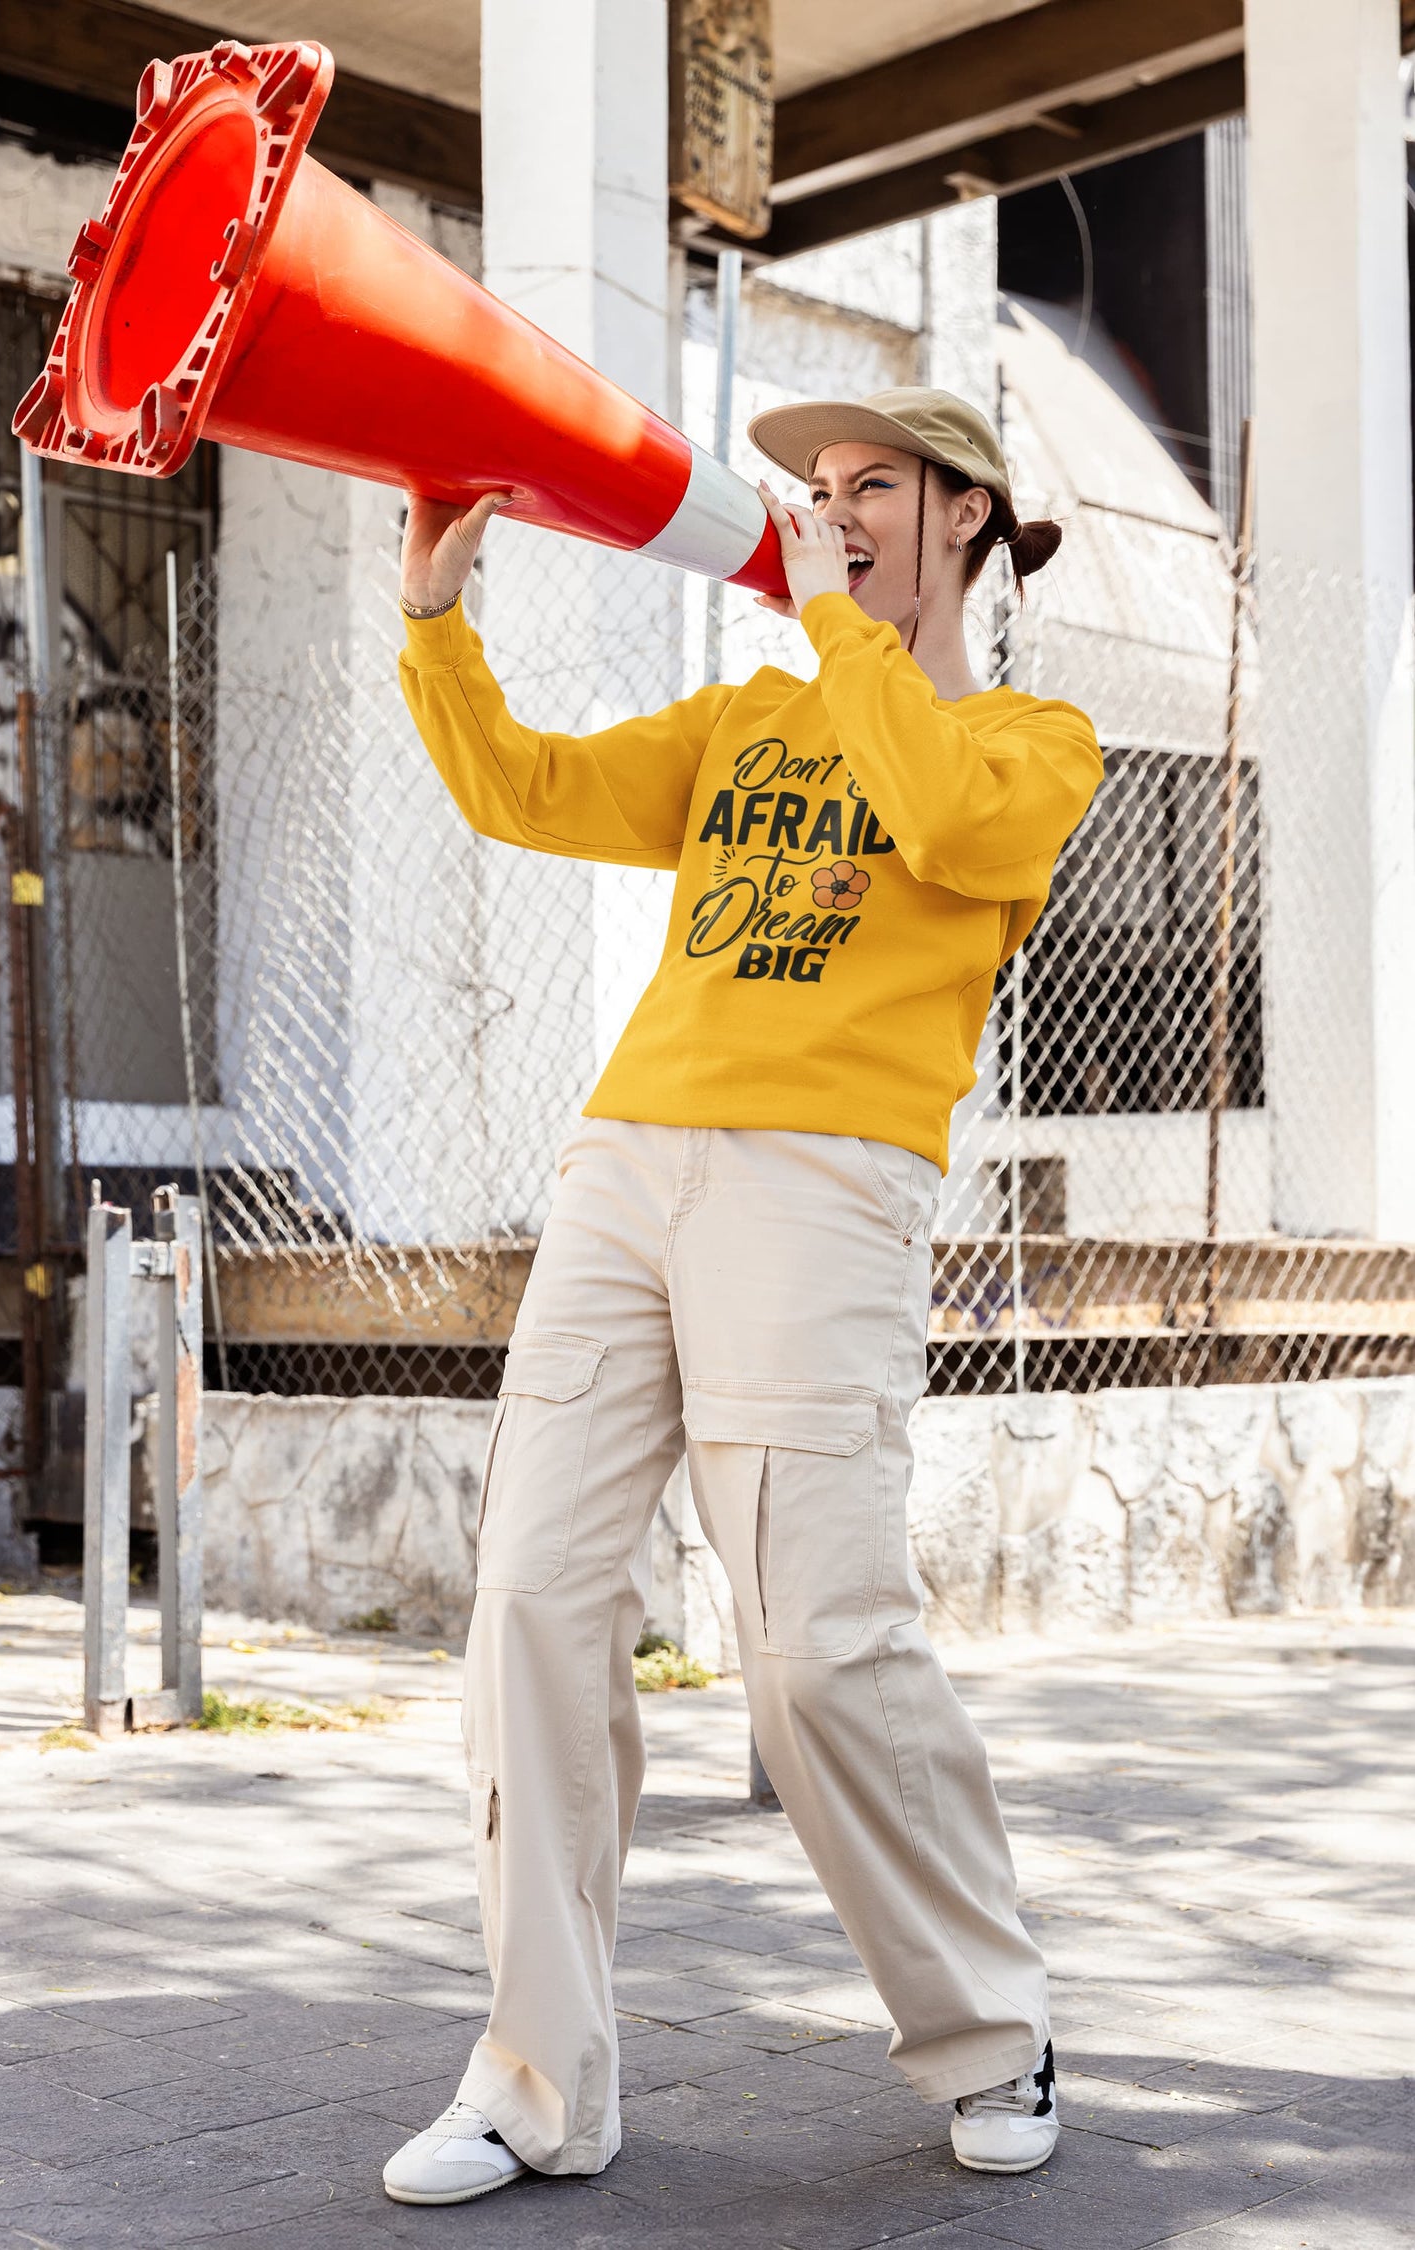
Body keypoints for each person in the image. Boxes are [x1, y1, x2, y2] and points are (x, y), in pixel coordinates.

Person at [381, 389, 1101, 2208]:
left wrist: (838, 624)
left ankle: (992, 2025)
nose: (832, 510)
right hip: (630, 1159)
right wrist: (436, 619)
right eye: (820, 488)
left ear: (966, 515)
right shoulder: (747, 721)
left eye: (875, 486)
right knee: (531, 1596)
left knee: (814, 1646)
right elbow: (523, 789)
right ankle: (538, 2082)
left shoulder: (1034, 741)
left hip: (827, 1181)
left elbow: (940, 813)